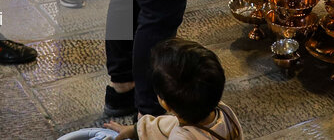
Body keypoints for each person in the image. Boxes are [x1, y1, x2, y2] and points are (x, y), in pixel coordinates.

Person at [103, 39, 243, 140]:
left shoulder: (181, 137)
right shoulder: (223, 111)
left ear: (165, 104)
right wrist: (136, 130)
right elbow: (169, 123)